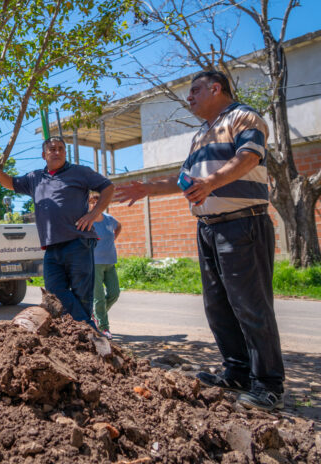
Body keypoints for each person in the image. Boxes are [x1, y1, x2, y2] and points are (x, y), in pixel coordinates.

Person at [115, 71, 284, 411]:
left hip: (242, 225)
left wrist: (211, 183)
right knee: (218, 306)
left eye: (195, 90)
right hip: (208, 227)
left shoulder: (243, 117)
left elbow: (249, 157)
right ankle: (236, 371)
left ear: (216, 88)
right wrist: (147, 188)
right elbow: (183, 181)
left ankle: (268, 385)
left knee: (250, 306)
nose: (189, 98)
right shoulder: (201, 135)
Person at [0, 137, 114, 325]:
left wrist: (94, 214)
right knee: (53, 292)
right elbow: (10, 183)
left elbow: (108, 186)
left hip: (78, 242)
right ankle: (87, 328)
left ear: (65, 153)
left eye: (60, 149)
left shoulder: (80, 172)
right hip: (51, 247)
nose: (57, 152)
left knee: (82, 295)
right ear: (44, 155)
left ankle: (85, 335)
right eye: (52, 149)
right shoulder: (35, 178)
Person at [91, 205, 122, 339]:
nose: (97, 204)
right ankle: (104, 328)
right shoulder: (88, 220)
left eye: (99, 201)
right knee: (99, 298)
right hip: (95, 263)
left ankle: (95, 315)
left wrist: (113, 238)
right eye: (93, 201)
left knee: (114, 293)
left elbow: (119, 226)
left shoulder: (109, 219)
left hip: (110, 261)